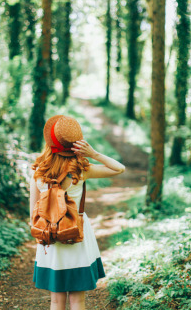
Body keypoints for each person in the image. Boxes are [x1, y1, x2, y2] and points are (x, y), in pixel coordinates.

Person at [29, 115, 125, 310]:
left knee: (56, 300)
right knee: (77, 300)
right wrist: (94, 153)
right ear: (75, 145)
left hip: (50, 236)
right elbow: (119, 169)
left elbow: (33, 211)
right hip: (76, 233)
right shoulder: (81, 169)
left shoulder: (39, 170)